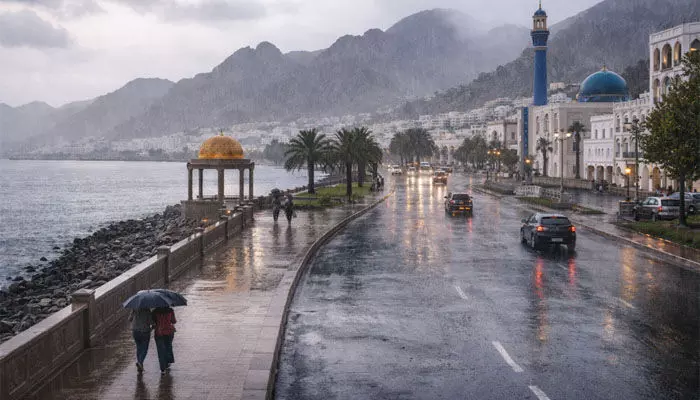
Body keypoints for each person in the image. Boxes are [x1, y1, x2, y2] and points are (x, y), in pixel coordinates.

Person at [152, 307, 177, 374]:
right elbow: (174, 321)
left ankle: (162, 369)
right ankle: (167, 362)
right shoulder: (170, 310)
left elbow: (152, 323)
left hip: (159, 333)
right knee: (168, 347)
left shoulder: (155, 311)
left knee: (160, 350)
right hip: (169, 332)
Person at [129, 308, 152, 373]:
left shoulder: (134, 308)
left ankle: (140, 366)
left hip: (135, 331)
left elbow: (129, 319)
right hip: (145, 331)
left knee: (139, 348)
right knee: (144, 348)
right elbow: (150, 322)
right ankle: (140, 362)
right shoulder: (147, 310)